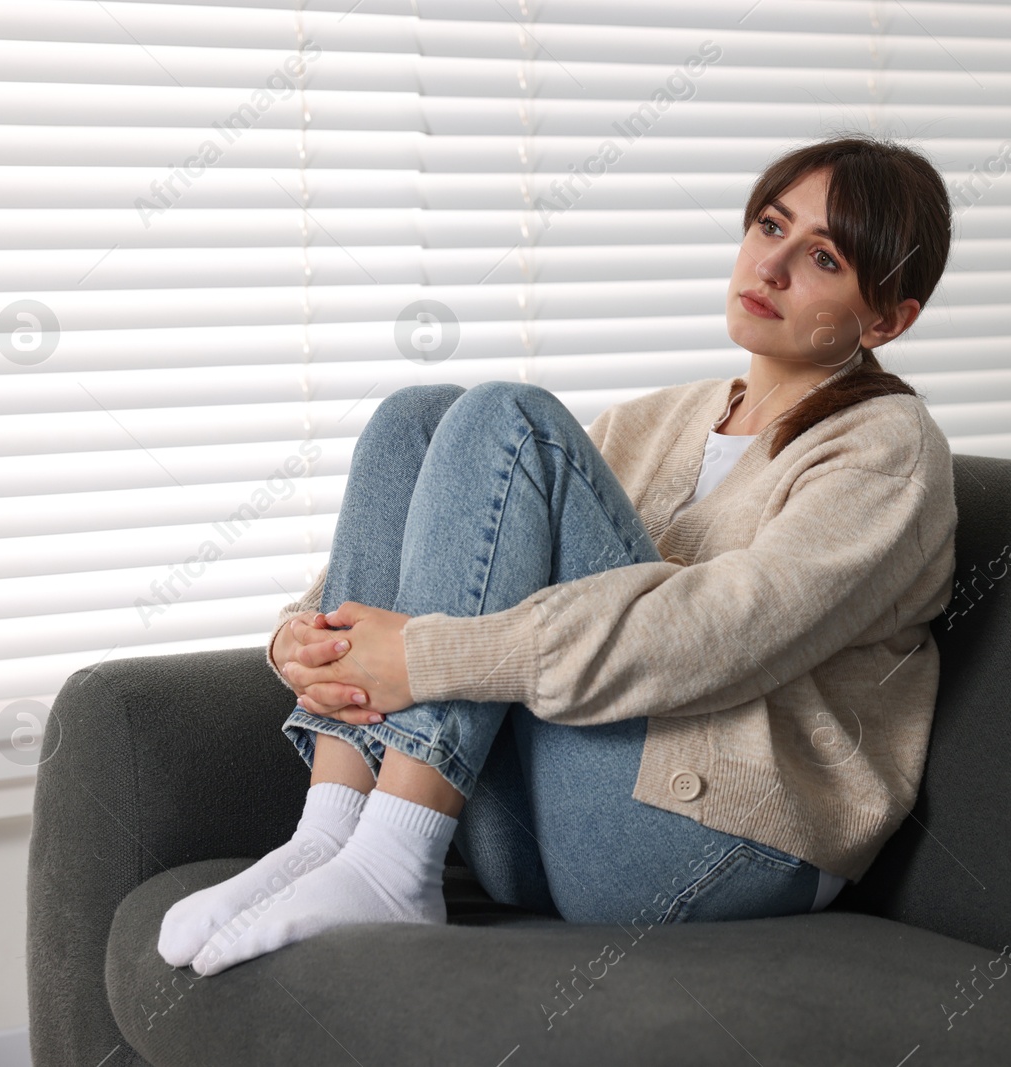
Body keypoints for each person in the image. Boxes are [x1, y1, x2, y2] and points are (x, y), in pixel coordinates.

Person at [157, 132, 959, 977]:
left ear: (888, 317)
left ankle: (392, 863)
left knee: (509, 420)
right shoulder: (666, 418)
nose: (773, 265)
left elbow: (716, 635)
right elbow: (465, 534)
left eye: (824, 257)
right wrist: (302, 634)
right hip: (542, 831)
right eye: (769, 225)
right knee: (420, 417)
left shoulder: (887, 450)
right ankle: (330, 834)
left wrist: (425, 658)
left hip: (715, 850)